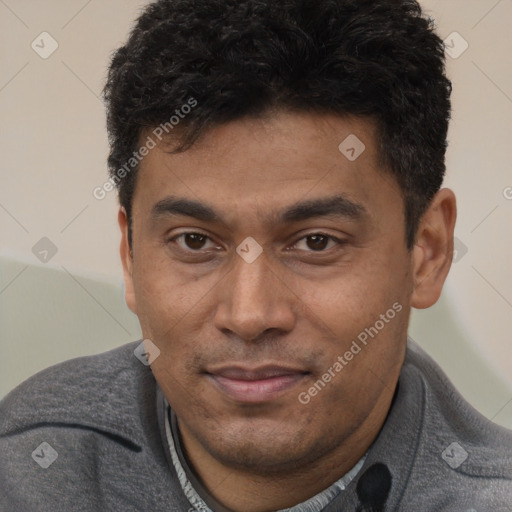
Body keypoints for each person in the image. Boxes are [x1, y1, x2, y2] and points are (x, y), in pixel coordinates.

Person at [1, 0, 511, 510]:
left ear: (427, 250)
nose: (249, 315)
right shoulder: (25, 470)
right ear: (130, 255)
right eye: (194, 241)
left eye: (316, 242)